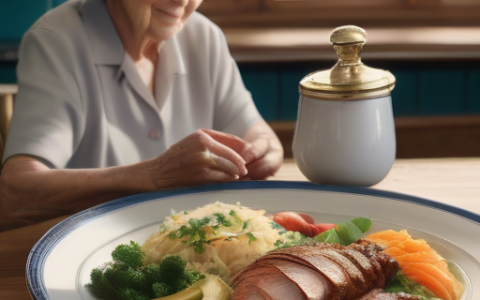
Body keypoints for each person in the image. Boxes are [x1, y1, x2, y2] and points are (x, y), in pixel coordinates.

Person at [0, 0, 283, 231]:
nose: (183, 1)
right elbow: (14, 192)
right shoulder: (58, 40)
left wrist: (261, 151)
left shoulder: (204, 35)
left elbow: (257, 132)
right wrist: (155, 176)